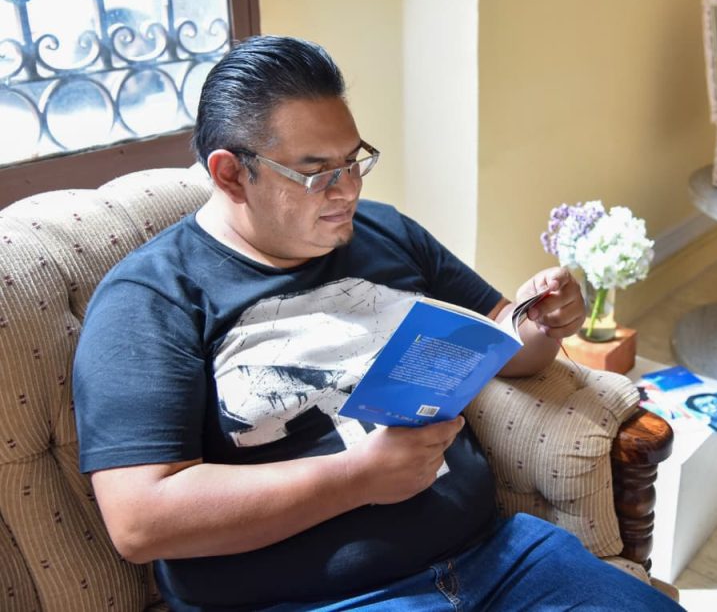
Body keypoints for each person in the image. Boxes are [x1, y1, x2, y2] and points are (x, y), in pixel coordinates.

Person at [73, 35, 680, 611]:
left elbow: (509, 347)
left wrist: (542, 323)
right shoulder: (150, 300)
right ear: (232, 174)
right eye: (317, 172)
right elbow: (140, 520)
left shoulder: (385, 231)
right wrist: (355, 478)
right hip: (315, 599)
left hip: (498, 558)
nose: (347, 191)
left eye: (354, 160)